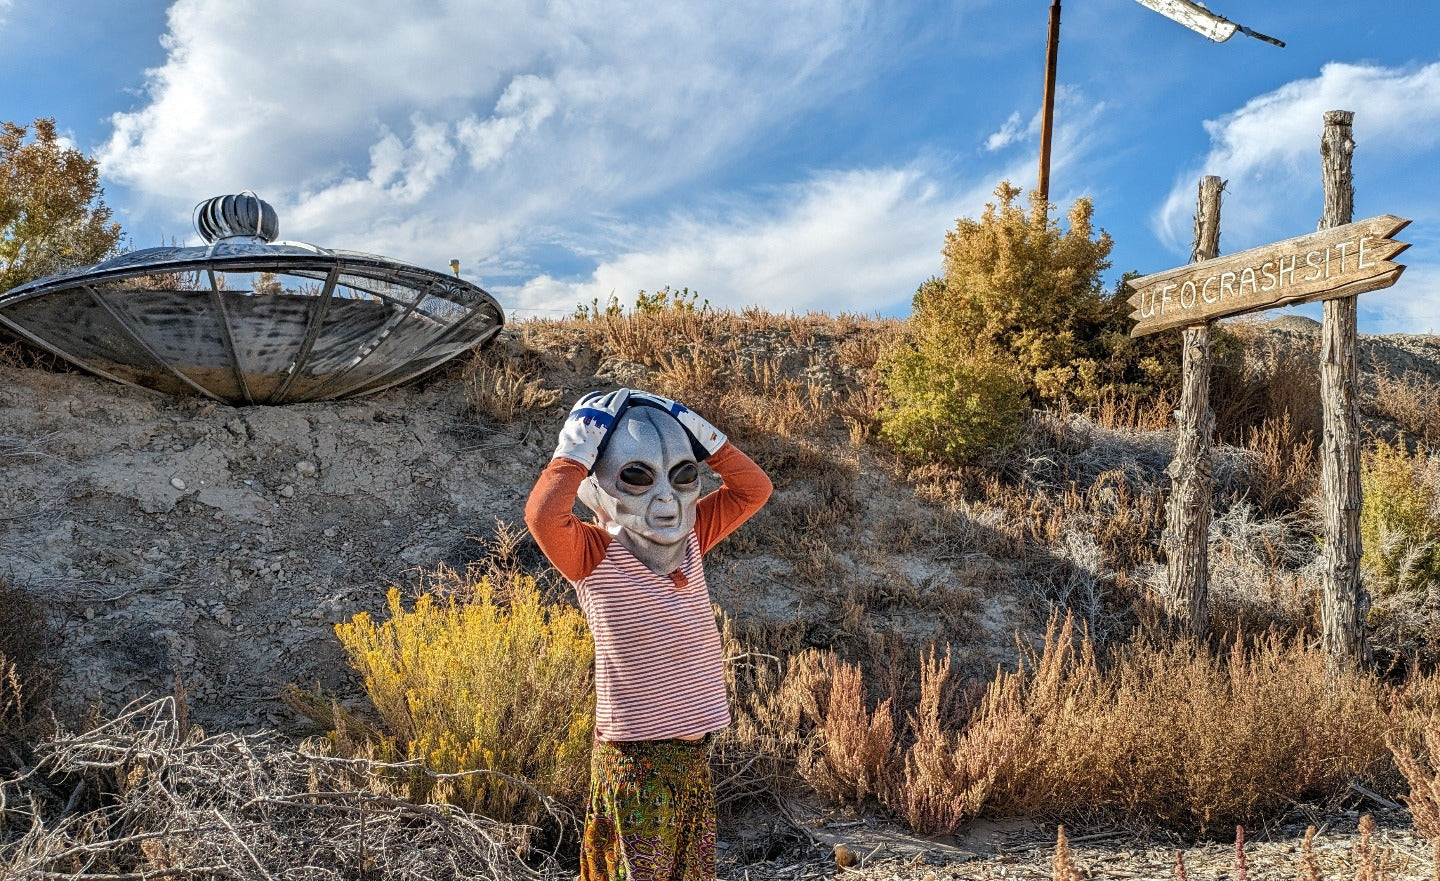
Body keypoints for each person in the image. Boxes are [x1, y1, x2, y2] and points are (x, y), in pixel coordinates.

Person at [524, 388, 772, 881]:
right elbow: (543, 516)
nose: (666, 502)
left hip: (692, 755)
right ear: (599, 489)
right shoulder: (592, 554)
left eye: (683, 478)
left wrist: (694, 428)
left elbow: (753, 489)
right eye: (636, 479)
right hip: (635, 761)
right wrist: (576, 449)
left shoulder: (691, 535)